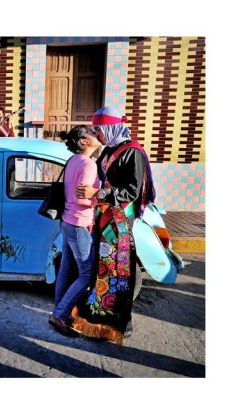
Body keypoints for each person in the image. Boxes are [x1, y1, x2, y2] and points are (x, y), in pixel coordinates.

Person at [73, 106, 156, 344]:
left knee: (119, 273)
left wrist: (98, 193)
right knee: (104, 272)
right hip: (105, 218)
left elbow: (132, 190)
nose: (97, 134)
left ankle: (120, 325)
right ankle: (100, 322)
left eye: (99, 129)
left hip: (120, 224)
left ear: (110, 128)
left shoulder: (133, 152)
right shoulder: (110, 150)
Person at [49, 126, 102, 338]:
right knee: (87, 275)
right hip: (79, 223)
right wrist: (100, 195)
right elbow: (82, 197)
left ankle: (59, 311)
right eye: (91, 132)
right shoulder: (89, 164)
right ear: (83, 141)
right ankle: (60, 315)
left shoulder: (73, 160)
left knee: (66, 269)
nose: (95, 133)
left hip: (68, 220)